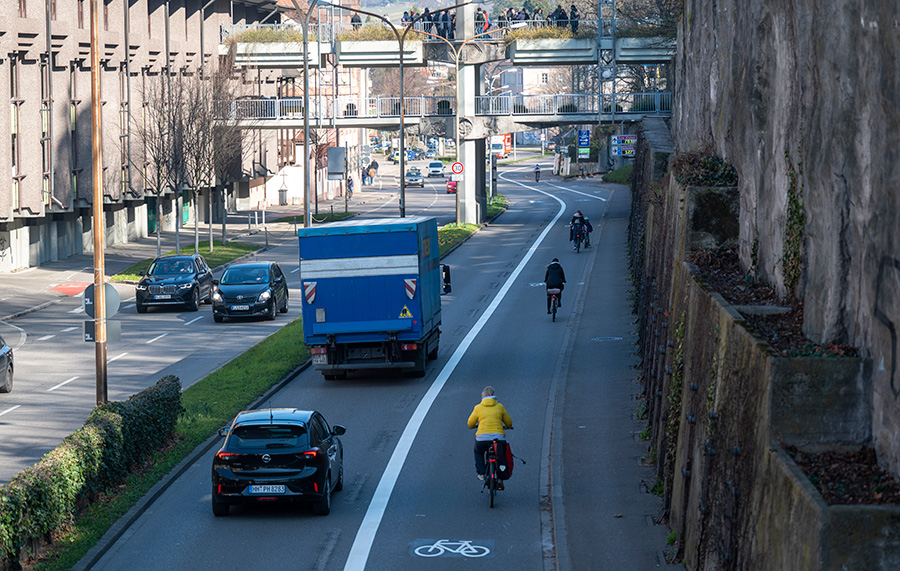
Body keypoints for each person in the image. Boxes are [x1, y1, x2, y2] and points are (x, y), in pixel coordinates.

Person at [467, 386, 513, 481]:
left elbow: (470, 423)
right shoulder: (500, 407)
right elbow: (508, 422)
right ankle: (501, 474)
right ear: (493, 395)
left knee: (478, 452)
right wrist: (508, 427)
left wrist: (474, 426)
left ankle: (481, 473)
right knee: (501, 455)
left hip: (482, 438)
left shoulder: (478, 408)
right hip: (498, 438)